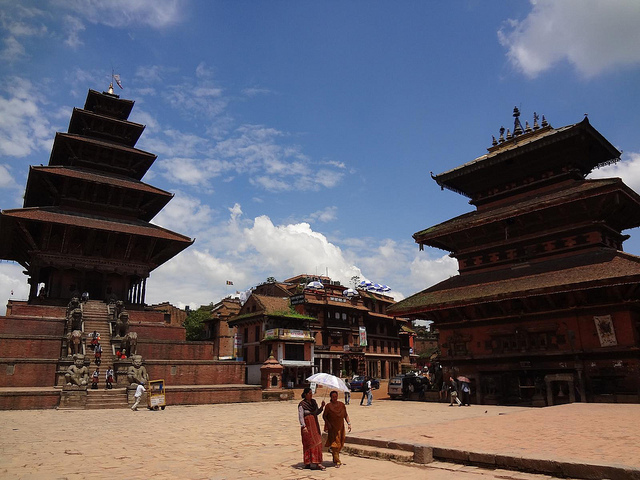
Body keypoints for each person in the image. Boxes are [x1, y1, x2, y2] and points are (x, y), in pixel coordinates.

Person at [298, 387, 325, 470]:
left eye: (311, 393)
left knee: (317, 442)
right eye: (309, 393)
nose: (311, 395)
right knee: (308, 443)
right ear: (305, 394)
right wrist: (303, 426)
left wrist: (321, 407)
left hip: (314, 424)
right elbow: (301, 416)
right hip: (307, 425)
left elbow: (316, 412)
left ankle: (317, 462)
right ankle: (308, 462)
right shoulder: (302, 404)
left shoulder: (313, 403)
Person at [322, 390, 351, 467]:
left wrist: (349, 423)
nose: (335, 398)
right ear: (331, 397)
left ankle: (335, 457)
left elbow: (345, 415)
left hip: (341, 427)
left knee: (340, 443)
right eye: (333, 397)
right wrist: (328, 423)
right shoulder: (328, 406)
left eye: (336, 396)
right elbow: (324, 416)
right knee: (335, 444)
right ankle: (338, 461)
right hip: (332, 428)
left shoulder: (341, 405)